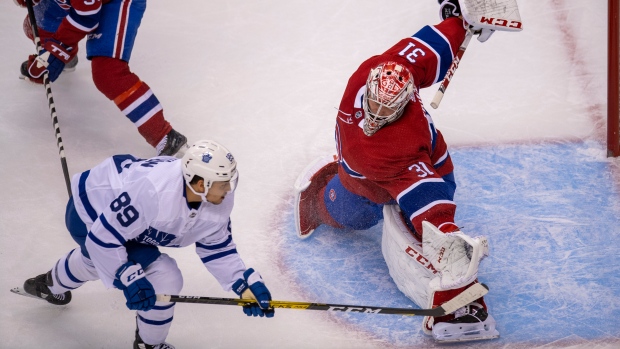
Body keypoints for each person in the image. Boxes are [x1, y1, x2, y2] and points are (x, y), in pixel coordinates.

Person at [294, 0, 498, 342]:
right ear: (372, 83)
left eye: (388, 107)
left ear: (406, 99)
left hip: (426, 169)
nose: (375, 114)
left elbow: (425, 193)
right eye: (374, 102)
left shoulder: (401, 142)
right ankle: (321, 193)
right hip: (362, 181)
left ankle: (455, 302)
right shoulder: (378, 70)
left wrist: (446, 233)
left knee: (425, 227)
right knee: (354, 215)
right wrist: (458, 22)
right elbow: (423, 51)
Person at [18, 140, 275, 349]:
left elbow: (216, 247)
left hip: (128, 225)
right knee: (163, 276)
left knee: (98, 263)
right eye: (223, 183)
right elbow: (102, 238)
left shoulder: (217, 200)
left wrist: (242, 283)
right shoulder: (154, 193)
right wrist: (127, 276)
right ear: (200, 184)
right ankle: (148, 345)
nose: (229, 188)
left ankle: (48, 283)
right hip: (92, 209)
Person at [13, 0, 188, 156]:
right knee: (34, 25)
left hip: (114, 3)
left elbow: (87, 14)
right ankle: (67, 56)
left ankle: (165, 136)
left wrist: (58, 49)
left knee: (108, 73)